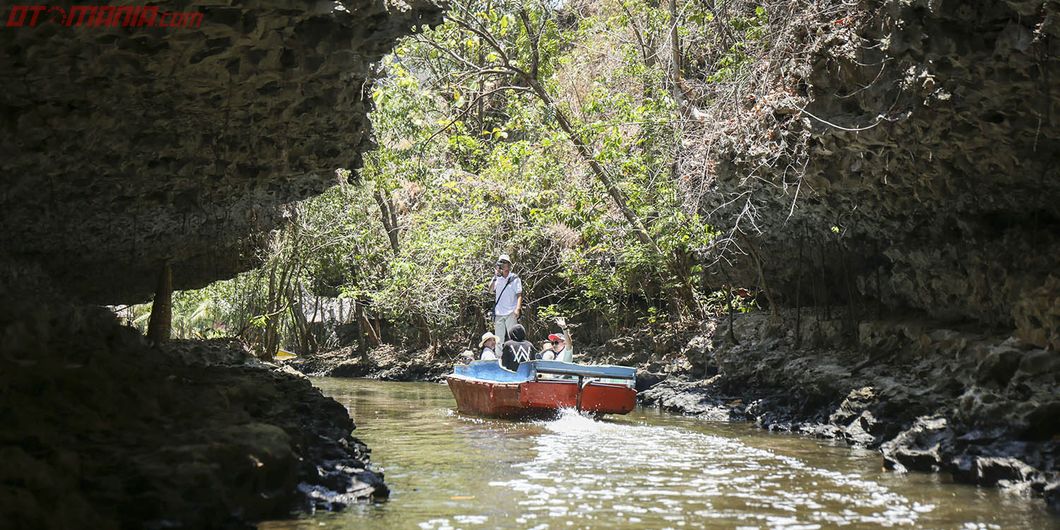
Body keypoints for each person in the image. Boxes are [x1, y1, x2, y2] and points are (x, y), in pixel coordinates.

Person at [488, 254, 522, 346]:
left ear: (509, 264)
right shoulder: (497, 278)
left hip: (511, 311)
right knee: (499, 339)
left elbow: (519, 294)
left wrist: (518, 309)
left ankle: (515, 355)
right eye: (501, 262)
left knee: (513, 336)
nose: (503, 264)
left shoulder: (514, 278)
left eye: (505, 262)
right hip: (499, 312)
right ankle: (499, 357)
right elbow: (490, 290)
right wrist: (495, 276)